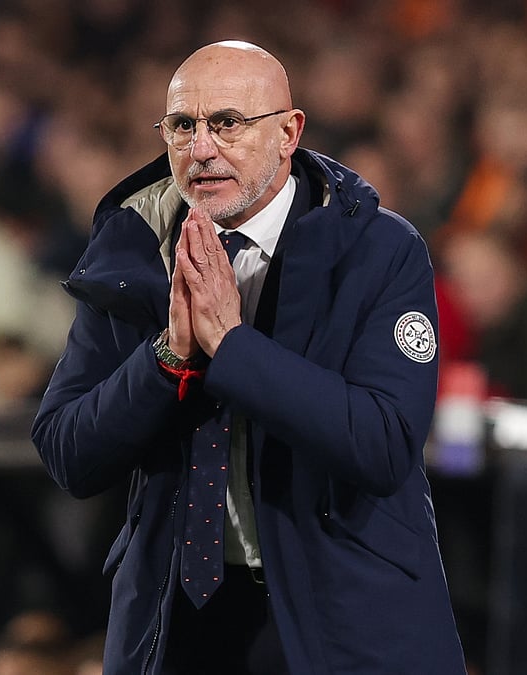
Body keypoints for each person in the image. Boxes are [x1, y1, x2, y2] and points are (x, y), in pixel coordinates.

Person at [32, 41, 465, 674]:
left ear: (289, 132)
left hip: (341, 618)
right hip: (176, 619)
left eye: (228, 123)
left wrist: (233, 349)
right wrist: (169, 357)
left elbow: (383, 442)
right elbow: (67, 451)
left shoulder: (378, 251)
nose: (201, 147)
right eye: (183, 125)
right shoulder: (134, 247)